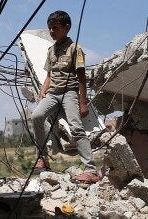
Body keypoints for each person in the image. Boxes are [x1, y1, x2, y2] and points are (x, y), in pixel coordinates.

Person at [30, 10, 99, 184]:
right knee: (36, 116)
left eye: (55, 28)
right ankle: (43, 159)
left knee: (76, 127)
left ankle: (91, 170)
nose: (52, 31)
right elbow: (49, 76)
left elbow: (82, 77)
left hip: (69, 92)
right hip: (53, 93)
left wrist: (83, 103)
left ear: (66, 28)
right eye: (50, 28)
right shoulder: (51, 50)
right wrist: (42, 92)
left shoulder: (75, 49)